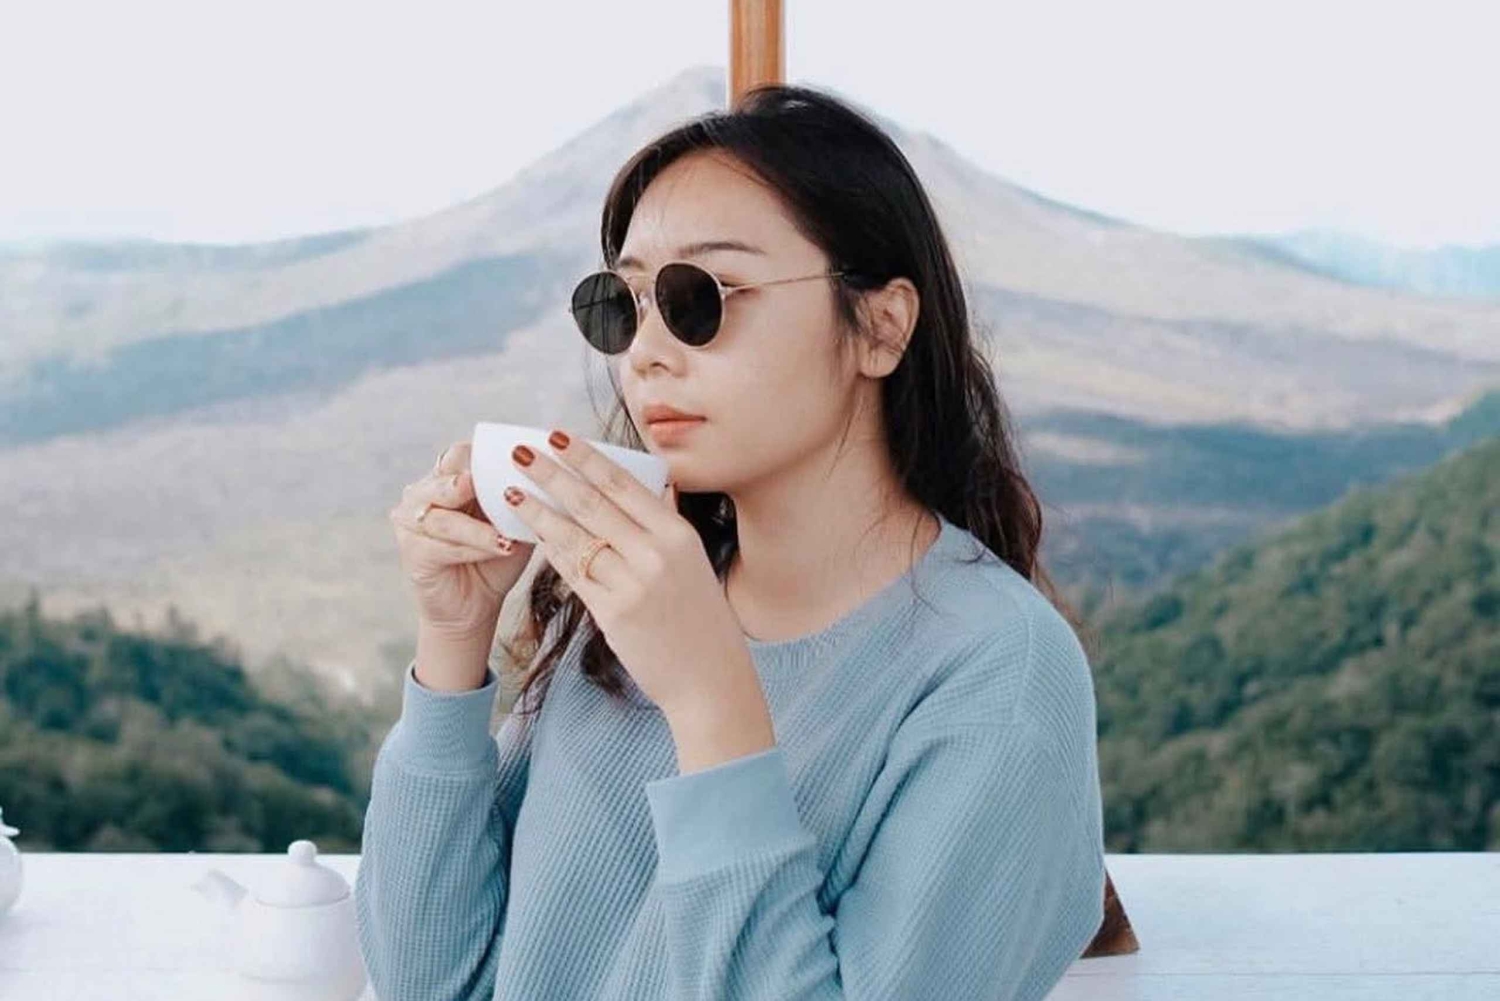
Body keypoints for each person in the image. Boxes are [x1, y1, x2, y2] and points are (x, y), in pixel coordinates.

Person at [355, 82, 1107, 1001]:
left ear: (881, 326)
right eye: (624, 304)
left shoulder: (1000, 671)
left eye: (700, 297)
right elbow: (429, 981)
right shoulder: (633, 607)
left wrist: (711, 700)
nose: (645, 352)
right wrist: (452, 644)